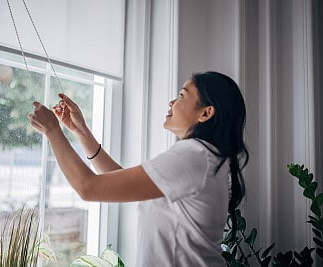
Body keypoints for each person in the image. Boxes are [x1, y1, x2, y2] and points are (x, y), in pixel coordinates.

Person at [28, 71, 249, 266]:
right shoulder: (203, 156)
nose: (172, 102)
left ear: (205, 113)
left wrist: (52, 130)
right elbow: (120, 182)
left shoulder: (194, 155)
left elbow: (89, 187)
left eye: (182, 95)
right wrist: (81, 131)